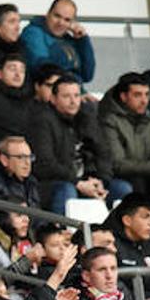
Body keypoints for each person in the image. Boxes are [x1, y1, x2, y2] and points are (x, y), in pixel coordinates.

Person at [28, 75, 129, 214]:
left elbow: (104, 152)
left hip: (87, 180)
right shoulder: (42, 121)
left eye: (76, 95)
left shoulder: (87, 117)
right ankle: (64, 232)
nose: (73, 101)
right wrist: (77, 182)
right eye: (66, 96)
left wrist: (102, 181)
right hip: (54, 183)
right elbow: (45, 164)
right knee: (66, 190)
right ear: (53, 99)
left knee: (123, 189)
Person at [19, 0, 94, 85]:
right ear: (48, 14)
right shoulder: (33, 33)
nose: (60, 23)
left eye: (67, 20)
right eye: (57, 16)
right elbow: (45, 68)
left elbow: (87, 75)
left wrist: (83, 40)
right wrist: (76, 86)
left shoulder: (68, 39)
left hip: (72, 92)